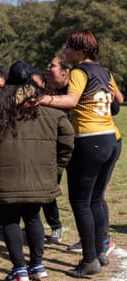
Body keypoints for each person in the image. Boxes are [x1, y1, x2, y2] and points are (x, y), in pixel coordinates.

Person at [0, 61, 74, 281]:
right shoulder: (49, 105)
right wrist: (56, 168)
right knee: (33, 217)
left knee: (10, 219)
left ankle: (20, 269)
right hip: (41, 175)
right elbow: (67, 141)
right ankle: (37, 266)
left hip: (5, 175)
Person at [39, 29, 119, 278]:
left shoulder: (78, 71)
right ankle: (99, 251)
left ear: (80, 50)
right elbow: (117, 100)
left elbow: (72, 101)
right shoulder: (104, 71)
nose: (65, 51)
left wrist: (42, 99)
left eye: (68, 47)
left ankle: (89, 261)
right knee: (96, 199)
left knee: (81, 202)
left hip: (89, 140)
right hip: (111, 139)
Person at [41, 54, 72, 244]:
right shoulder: (47, 88)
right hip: (50, 150)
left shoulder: (76, 90)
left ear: (64, 71)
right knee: (47, 190)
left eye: (51, 65)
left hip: (72, 148)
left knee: (81, 198)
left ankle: (96, 239)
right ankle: (55, 226)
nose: (47, 68)